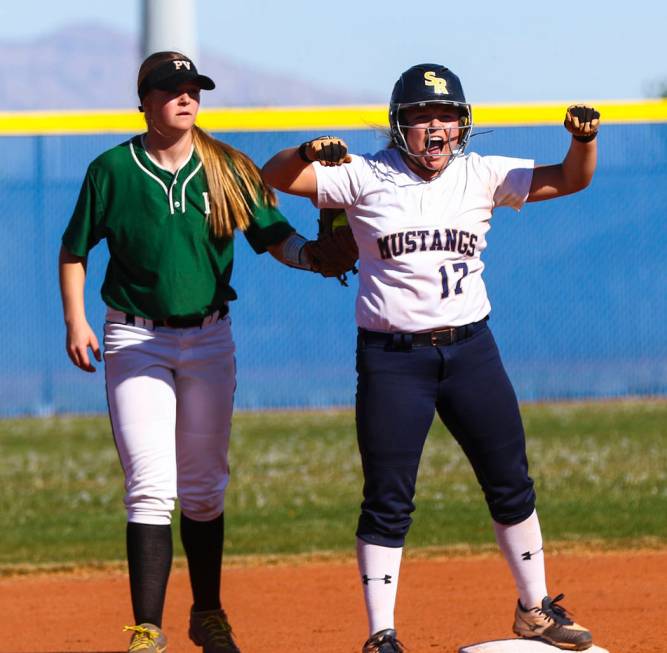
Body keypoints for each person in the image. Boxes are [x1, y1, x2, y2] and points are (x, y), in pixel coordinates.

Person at [261, 63, 600, 652]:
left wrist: (584, 139)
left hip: (472, 351)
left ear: (464, 123)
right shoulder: (363, 176)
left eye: (445, 115)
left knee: (510, 481)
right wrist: (305, 150)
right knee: (389, 497)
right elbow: (276, 177)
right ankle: (382, 634)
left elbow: (572, 179)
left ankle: (535, 609)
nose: (435, 128)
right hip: (394, 361)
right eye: (421, 117)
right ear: (400, 125)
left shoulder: (482, 174)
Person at [58, 51, 327, 653]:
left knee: (204, 486)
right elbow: (74, 250)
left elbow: (274, 238)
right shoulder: (112, 171)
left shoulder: (226, 167)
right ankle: (147, 630)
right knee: (150, 485)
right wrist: (76, 321)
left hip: (208, 338)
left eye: (193, 88)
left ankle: (207, 615)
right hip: (136, 338)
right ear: (145, 101)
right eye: (171, 88)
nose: (185, 96)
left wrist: (313, 256)